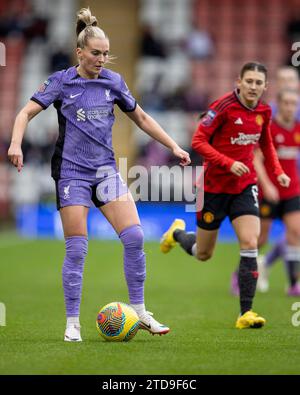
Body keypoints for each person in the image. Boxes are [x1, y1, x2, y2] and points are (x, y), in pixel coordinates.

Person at [7, 7, 191, 342]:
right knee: (77, 249)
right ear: (80, 52)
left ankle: (141, 311)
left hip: (105, 171)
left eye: (106, 54)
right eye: (96, 53)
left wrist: (174, 146)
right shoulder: (62, 81)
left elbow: (143, 119)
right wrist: (16, 143)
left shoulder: (114, 81)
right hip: (72, 173)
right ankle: (72, 323)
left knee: (134, 238)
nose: (102, 59)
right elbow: (25, 112)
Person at [160, 62, 290, 329]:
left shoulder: (264, 112)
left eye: (258, 83)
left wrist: (277, 172)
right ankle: (177, 234)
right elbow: (198, 141)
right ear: (239, 82)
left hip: (244, 186)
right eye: (249, 81)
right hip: (213, 190)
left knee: (250, 241)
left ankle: (246, 312)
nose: (253, 86)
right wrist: (228, 163)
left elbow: (265, 143)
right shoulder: (222, 107)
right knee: (203, 253)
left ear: (266, 86)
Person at [253, 89, 300, 295]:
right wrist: (268, 185)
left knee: (296, 232)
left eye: (294, 103)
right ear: (279, 104)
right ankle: (240, 275)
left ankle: (292, 284)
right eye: (287, 103)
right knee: (260, 238)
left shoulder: (298, 129)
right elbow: (256, 159)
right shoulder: (270, 129)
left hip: (292, 191)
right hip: (269, 192)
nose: (290, 107)